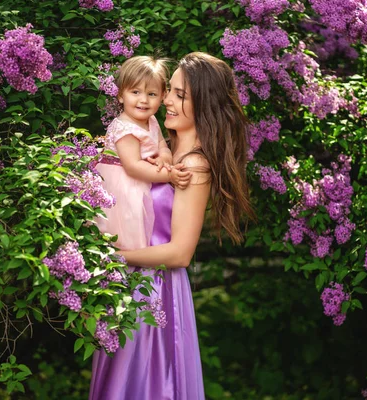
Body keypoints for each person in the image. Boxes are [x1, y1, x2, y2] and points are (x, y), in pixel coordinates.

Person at [89, 52, 253, 400]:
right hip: (127, 280)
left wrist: (112, 257)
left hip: (155, 290)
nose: (166, 100)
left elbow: (179, 253)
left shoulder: (195, 165)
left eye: (180, 95)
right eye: (170, 91)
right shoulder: (161, 146)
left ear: (203, 105)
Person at [95, 56, 191, 253]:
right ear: (121, 95)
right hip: (124, 188)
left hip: (143, 181)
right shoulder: (124, 128)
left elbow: (163, 146)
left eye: (152, 94)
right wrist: (169, 175)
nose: (143, 100)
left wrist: (164, 158)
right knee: (128, 232)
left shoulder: (151, 120)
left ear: (163, 95)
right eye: (135, 92)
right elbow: (133, 166)